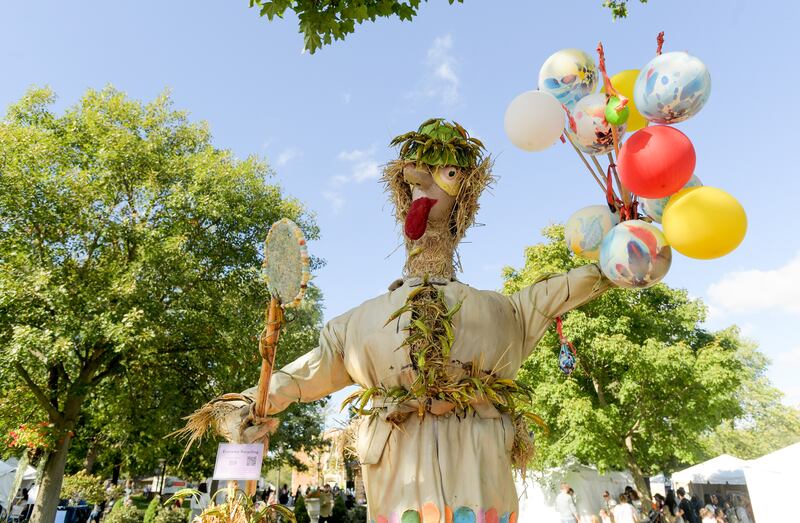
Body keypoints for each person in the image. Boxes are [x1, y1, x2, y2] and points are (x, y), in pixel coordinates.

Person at [188, 119, 612, 523]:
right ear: (402, 187)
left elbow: (578, 283)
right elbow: (299, 377)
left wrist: (624, 248)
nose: (424, 185)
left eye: (445, 174)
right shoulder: (358, 326)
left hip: (483, 491)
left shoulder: (504, 312)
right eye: (415, 176)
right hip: (399, 496)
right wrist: (242, 406)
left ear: (466, 194)